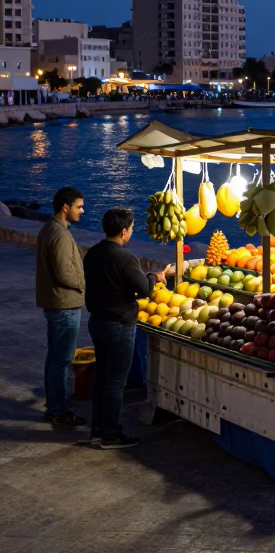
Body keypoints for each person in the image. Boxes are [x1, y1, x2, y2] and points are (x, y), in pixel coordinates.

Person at [83, 207, 172, 448]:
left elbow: (112, 282)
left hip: (97, 321)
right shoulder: (124, 257)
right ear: (124, 231)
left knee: (103, 377)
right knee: (115, 382)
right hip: (118, 325)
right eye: (132, 228)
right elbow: (144, 289)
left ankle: (97, 430)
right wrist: (154, 277)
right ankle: (110, 434)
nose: (132, 232)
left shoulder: (93, 252)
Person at [35, 186, 86, 425]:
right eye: (78, 206)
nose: (82, 211)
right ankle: (58, 410)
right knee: (62, 360)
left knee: (55, 358)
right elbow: (64, 273)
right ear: (65, 207)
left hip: (55, 303)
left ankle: (54, 405)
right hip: (64, 305)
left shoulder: (50, 229)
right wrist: (84, 285)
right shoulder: (59, 234)